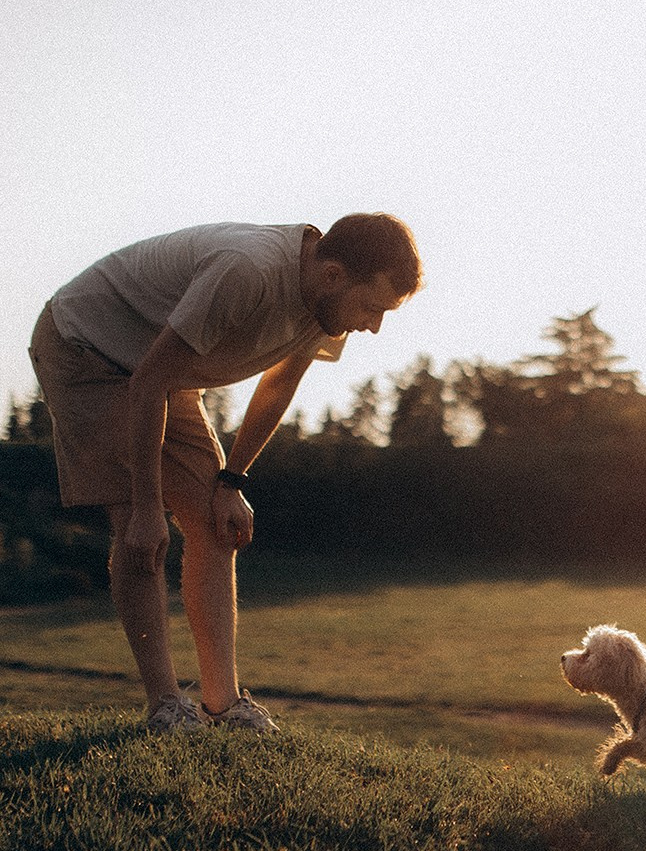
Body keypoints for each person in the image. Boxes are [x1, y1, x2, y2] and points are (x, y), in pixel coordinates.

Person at [28, 213, 422, 732]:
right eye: (372, 307)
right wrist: (149, 508)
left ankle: (224, 704)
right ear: (332, 275)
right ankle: (166, 706)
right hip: (86, 348)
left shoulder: (326, 304)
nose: (373, 326)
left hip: (161, 371)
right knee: (139, 529)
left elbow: (280, 383)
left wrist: (230, 481)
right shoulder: (248, 270)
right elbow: (148, 382)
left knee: (216, 521)